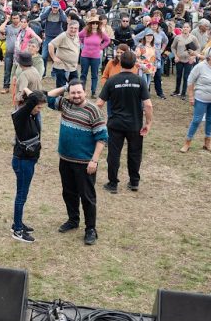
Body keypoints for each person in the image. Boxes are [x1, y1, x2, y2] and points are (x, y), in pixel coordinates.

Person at [48, 79, 107, 245]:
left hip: (85, 163)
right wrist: (65, 87)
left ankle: (91, 229)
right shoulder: (65, 104)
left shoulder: (93, 111)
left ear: (85, 92)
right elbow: (48, 96)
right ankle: (73, 220)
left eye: (79, 92)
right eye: (73, 92)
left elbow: (102, 138)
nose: (76, 95)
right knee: (68, 193)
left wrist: (94, 161)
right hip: (65, 159)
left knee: (87, 197)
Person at [97, 51, 152, 194]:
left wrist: (97, 121)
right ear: (134, 64)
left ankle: (112, 183)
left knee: (114, 154)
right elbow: (148, 105)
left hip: (115, 124)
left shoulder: (112, 81)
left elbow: (99, 103)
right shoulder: (140, 81)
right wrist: (148, 123)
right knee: (135, 153)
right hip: (135, 124)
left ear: (120, 63)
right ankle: (134, 182)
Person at [11, 89, 47, 243]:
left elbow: (44, 94)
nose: (39, 110)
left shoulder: (30, 115)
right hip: (23, 162)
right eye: (38, 107)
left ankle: (17, 223)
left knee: (22, 195)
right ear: (30, 104)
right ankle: (17, 231)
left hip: (28, 161)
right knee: (21, 196)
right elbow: (32, 99)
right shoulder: (21, 115)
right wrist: (26, 89)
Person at [182, 47, 211, 153]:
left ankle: (207, 143)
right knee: (196, 120)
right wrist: (191, 96)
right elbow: (190, 81)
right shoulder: (200, 66)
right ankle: (187, 143)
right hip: (201, 99)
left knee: (210, 120)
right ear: (209, 56)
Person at [78, 17, 111, 97]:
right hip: (85, 56)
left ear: (98, 24)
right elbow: (78, 36)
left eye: (96, 23)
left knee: (95, 75)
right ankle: (82, 90)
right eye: (93, 23)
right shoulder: (85, 31)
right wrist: (81, 43)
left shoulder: (101, 33)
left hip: (95, 57)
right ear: (90, 24)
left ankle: (93, 92)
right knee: (83, 74)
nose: (95, 25)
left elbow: (108, 40)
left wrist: (101, 47)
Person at [48, 19, 81, 88]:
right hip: (62, 66)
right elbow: (50, 44)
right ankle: (60, 95)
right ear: (67, 27)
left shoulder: (76, 35)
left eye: (75, 28)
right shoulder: (63, 36)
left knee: (75, 86)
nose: (73, 30)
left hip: (72, 67)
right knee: (61, 87)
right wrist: (54, 57)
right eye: (71, 28)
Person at [170, 26, 200, 98]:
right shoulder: (177, 37)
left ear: (190, 29)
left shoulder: (193, 38)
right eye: (184, 27)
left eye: (187, 27)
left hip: (189, 60)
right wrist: (175, 56)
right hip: (179, 59)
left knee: (186, 76)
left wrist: (193, 57)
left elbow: (198, 48)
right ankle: (177, 91)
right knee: (178, 76)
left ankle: (183, 93)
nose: (185, 28)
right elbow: (173, 47)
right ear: (182, 28)